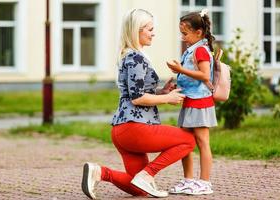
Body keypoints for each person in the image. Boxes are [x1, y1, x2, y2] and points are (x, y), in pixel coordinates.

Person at [81, 8, 196, 199]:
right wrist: (167, 98)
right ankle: (148, 174)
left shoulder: (129, 55)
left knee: (139, 189)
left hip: (122, 130)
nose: (153, 33)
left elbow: (137, 92)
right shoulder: (136, 58)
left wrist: (161, 91)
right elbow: (137, 98)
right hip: (135, 128)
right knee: (188, 140)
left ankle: (99, 172)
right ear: (136, 30)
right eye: (149, 29)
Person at [166, 9, 217, 195]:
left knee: (202, 142)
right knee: (185, 142)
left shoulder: (201, 50)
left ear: (199, 33)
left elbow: (204, 75)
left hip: (200, 102)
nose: (182, 37)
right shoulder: (192, 50)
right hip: (189, 101)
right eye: (181, 33)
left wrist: (181, 69)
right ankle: (189, 180)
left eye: (185, 33)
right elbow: (191, 76)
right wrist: (176, 81)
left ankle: (204, 182)